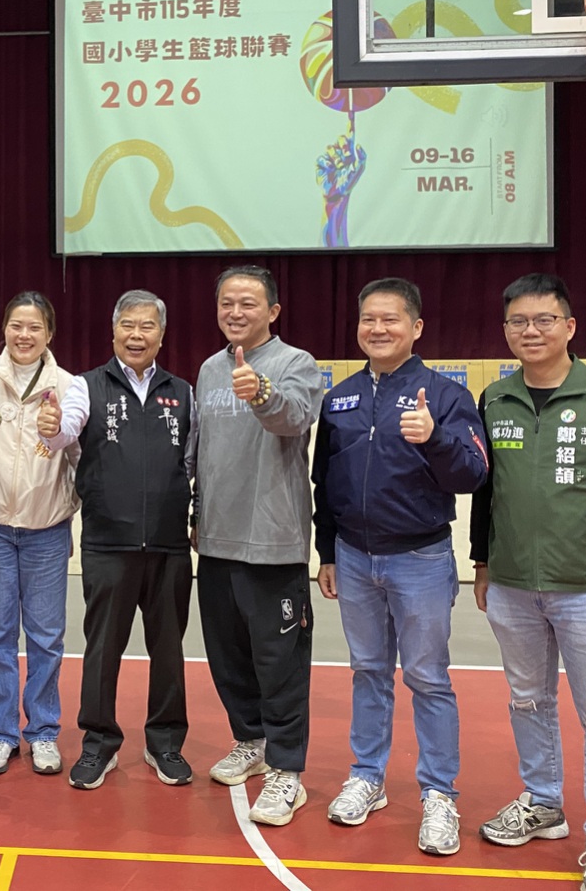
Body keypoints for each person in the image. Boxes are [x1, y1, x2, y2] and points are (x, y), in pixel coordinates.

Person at [471, 273, 586, 891]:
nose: (531, 331)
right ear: (506, 331)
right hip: (512, 586)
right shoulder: (494, 399)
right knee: (528, 700)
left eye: (544, 320)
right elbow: (486, 491)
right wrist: (482, 563)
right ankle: (543, 803)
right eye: (518, 322)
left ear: (569, 326)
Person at [311, 278, 489, 855]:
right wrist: (328, 551)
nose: (378, 328)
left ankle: (439, 794)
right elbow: (324, 483)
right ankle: (368, 776)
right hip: (354, 557)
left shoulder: (446, 396)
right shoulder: (339, 398)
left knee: (428, 677)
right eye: (369, 319)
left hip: (421, 558)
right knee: (368, 671)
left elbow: (472, 474)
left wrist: (434, 439)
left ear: (416, 328)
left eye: (390, 319)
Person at [38, 290, 197, 790]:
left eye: (147, 326)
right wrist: (51, 428)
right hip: (108, 544)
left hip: (169, 545)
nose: (136, 334)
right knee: (103, 648)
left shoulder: (183, 392)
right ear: (113, 332)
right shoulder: (86, 386)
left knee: (168, 651)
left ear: (162, 336)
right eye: (128, 324)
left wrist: (197, 517)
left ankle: (165, 742)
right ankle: (99, 743)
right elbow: (65, 432)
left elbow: (193, 463)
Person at [194, 265, 322, 826]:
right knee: (228, 658)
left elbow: (295, 418)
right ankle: (251, 741)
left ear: (272, 311)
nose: (235, 312)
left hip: (273, 543)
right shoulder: (208, 369)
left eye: (248, 303)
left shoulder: (296, 363)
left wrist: (262, 393)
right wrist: (195, 514)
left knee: (280, 665)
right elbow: (199, 449)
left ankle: (287, 769)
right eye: (227, 302)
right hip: (215, 541)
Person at [0, 291, 79, 776]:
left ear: (50, 334)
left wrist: (57, 433)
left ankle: (43, 731)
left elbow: (77, 453)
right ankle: (1, 733)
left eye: (34, 327)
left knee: (46, 636)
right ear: (4, 328)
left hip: (47, 527)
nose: (24, 335)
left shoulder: (69, 386)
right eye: (16, 326)